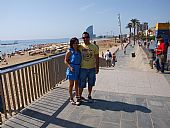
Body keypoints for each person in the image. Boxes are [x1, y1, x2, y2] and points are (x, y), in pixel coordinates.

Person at [77, 32, 99, 104]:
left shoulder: (94, 47)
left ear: (89, 37)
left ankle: (89, 95)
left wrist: (97, 68)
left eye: (86, 37)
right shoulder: (80, 46)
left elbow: (97, 58)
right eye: (83, 38)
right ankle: (79, 97)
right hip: (83, 68)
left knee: (91, 83)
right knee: (81, 84)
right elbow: (72, 49)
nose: (85, 39)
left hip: (92, 68)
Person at [64, 37, 81, 105]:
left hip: (78, 68)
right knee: (71, 84)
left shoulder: (79, 51)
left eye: (77, 43)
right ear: (72, 44)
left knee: (77, 84)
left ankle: (77, 97)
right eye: (74, 43)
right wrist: (70, 67)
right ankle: (71, 98)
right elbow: (65, 60)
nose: (76, 44)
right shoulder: (69, 51)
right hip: (72, 69)